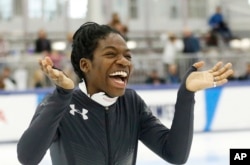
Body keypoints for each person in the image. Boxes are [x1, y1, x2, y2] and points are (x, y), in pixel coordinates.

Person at [17, 22, 233, 165]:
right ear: (85, 65)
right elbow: (27, 157)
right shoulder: (61, 104)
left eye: (127, 56)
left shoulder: (131, 103)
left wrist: (185, 95)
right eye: (111, 54)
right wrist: (63, 95)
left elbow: (175, 154)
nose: (123, 61)